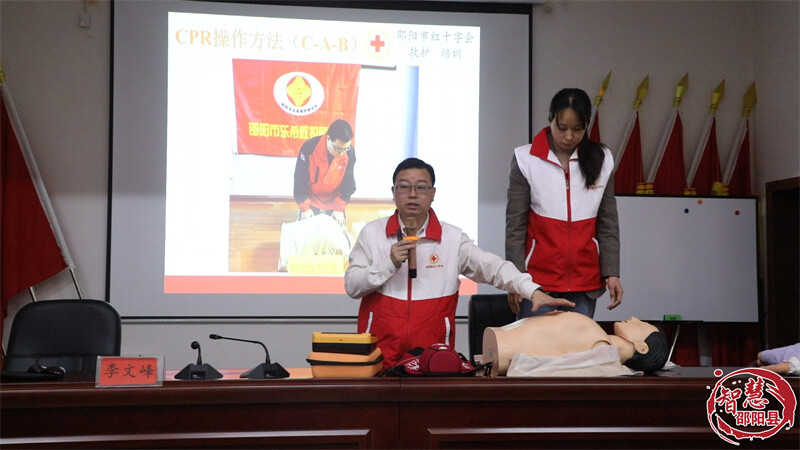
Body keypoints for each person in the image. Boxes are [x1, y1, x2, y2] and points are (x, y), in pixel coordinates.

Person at [344, 157, 576, 368]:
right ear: (394, 192)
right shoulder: (372, 233)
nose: (412, 194)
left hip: (432, 359)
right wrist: (388, 264)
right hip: (378, 355)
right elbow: (352, 286)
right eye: (404, 187)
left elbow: (492, 267)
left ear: (433, 193)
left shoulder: (452, 238)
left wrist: (531, 290)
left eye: (421, 187)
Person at [506, 88, 622, 319]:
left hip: (585, 281)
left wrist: (612, 272)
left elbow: (608, 222)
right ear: (550, 119)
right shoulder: (526, 159)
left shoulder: (602, 159)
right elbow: (515, 226)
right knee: (536, 343)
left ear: (587, 125)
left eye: (577, 129)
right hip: (536, 283)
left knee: (578, 343)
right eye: (562, 127)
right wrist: (515, 279)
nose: (569, 136)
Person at [483, 312, 669, 375]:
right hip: (501, 347)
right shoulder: (595, 335)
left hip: (503, 349)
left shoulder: (594, 336)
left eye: (642, 325)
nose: (634, 318)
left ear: (642, 347)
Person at [293, 118, 356, 227]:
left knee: (336, 232)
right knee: (308, 230)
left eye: (345, 149)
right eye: (338, 149)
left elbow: (348, 184)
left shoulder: (349, 152)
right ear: (328, 138)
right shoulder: (310, 147)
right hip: (311, 200)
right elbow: (299, 179)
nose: (342, 153)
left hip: (333, 201)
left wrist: (339, 209)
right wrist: (304, 208)